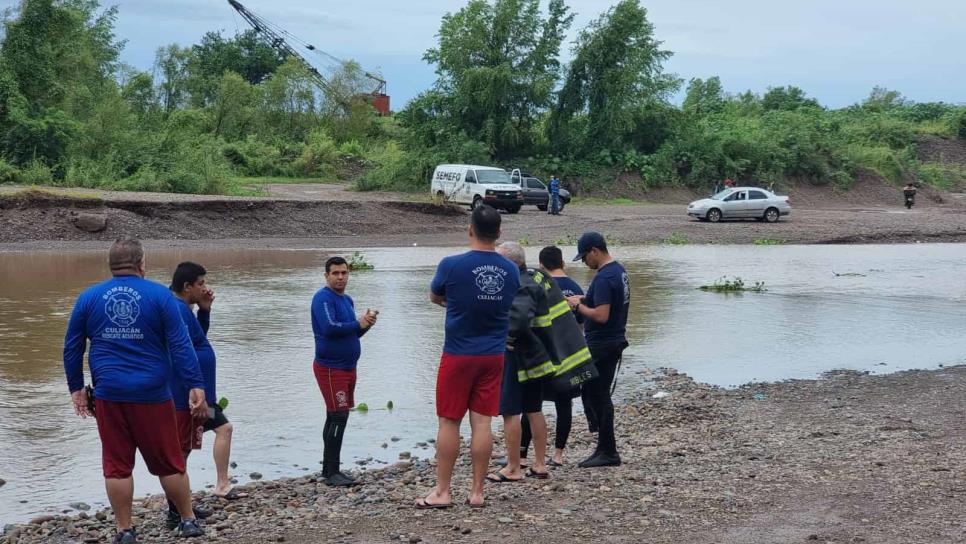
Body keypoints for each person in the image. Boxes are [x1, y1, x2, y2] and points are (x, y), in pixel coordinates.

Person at [63, 237, 207, 543]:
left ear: (111, 265)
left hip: (109, 394)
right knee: (170, 461)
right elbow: (181, 345)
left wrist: (76, 387)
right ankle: (187, 520)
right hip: (152, 393)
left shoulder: (89, 297)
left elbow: (72, 347)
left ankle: (125, 530)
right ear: (142, 263)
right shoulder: (160, 295)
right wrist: (196, 384)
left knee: (117, 466)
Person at [418, 205, 520, 509]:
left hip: (458, 354)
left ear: (470, 229)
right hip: (493, 355)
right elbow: (505, 302)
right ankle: (477, 492)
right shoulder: (511, 269)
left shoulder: (451, 264)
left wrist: (457, 305)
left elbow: (436, 296)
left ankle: (442, 491)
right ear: (499, 233)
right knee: (483, 423)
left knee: (449, 421)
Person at [168, 262, 235, 499]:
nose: (204, 287)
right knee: (183, 449)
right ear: (187, 287)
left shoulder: (184, 309)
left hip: (202, 397)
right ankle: (178, 508)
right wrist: (192, 391)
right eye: (201, 283)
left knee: (223, 428)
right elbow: (181, 353)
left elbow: (197, 339)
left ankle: (221, 485)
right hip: (192, 398)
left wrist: (204, 310)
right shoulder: (176, 309)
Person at [487, 242, 551, 483]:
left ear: (512, 264)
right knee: (534, 408)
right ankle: (540, 464)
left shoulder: (520, 285)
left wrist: (506, 338)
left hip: (519, 356)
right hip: (536, 356)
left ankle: (513, 467)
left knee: (510, 411)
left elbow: (520, 319)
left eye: (500, 262)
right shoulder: (532, 282)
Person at [312, 256, 378, 487]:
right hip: (331, 367)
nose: (340, 277)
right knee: (338, 415)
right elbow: (330, 328)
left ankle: (329, 468)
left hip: (348, 367)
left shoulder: (347, 299)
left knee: (336, 415)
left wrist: (365, 325)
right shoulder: (322, 298)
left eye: (344, 273)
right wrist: (357, 324)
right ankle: (332, 472)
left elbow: (351, 333)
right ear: (326, 276)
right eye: (335, 273)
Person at [567, 232, 630, 468]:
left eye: (584, 257)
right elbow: (608, 302)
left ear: (594, 251)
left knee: (597, 395)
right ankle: (604, 447)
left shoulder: (604, 277)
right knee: (598, 393)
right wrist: (586, 297)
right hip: (613, 341)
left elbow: (602, 315)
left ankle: (608, 451)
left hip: (602, 343)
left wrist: (578, 306)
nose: (585, 262)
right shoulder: (618, 271)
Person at [519, 246, 584, 466]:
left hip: (542, 353)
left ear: (541, 265)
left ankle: (523, 453)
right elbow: (581, 326)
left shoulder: (536, 283)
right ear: (563, 263)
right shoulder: (575, 288)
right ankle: (558, 454)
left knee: (531, 404)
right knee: (564, 404)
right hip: (569, 354)